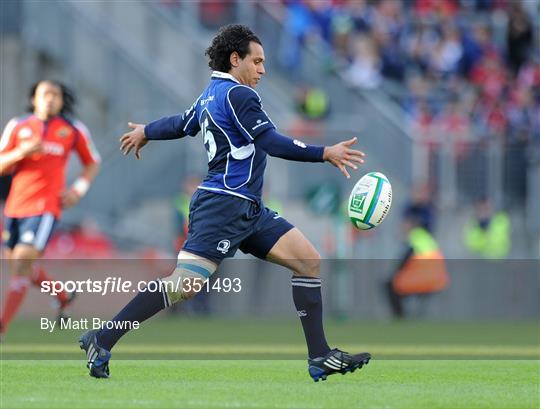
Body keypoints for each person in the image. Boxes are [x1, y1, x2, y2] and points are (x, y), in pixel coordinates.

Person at [79, 24, 370, 382]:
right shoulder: (239, 96)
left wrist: (146, 131)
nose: (263, 70)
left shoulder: (211, 95)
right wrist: (324, 152)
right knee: (183, 284)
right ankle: (102, 337)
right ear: (236, 59)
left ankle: (320, 355)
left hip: (248, 208)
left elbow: (181, 123)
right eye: (257, 61)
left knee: (308, 261)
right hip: (222, 205)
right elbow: (271, 142)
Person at [0, 80, 101, 337]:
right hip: (14, 207)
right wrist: (20, 152)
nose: (50, 99)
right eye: (45, 94)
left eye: (55, 94)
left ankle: (2, 326)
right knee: (20, 267)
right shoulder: (18, 126)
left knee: (22, 260)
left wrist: (78, 190)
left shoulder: (72, 129)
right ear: (33, 98)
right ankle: (62, 294)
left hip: (45, 207)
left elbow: (92, 162)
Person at [385, 207, 449, 318]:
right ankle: (406, 316)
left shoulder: (414, 237)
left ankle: (400, 318)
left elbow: (404, 261)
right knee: (395, 284)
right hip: (437, 279)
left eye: (405, 223)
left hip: (423, 279)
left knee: (390, 284)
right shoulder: (425, 237)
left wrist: (395, 273)